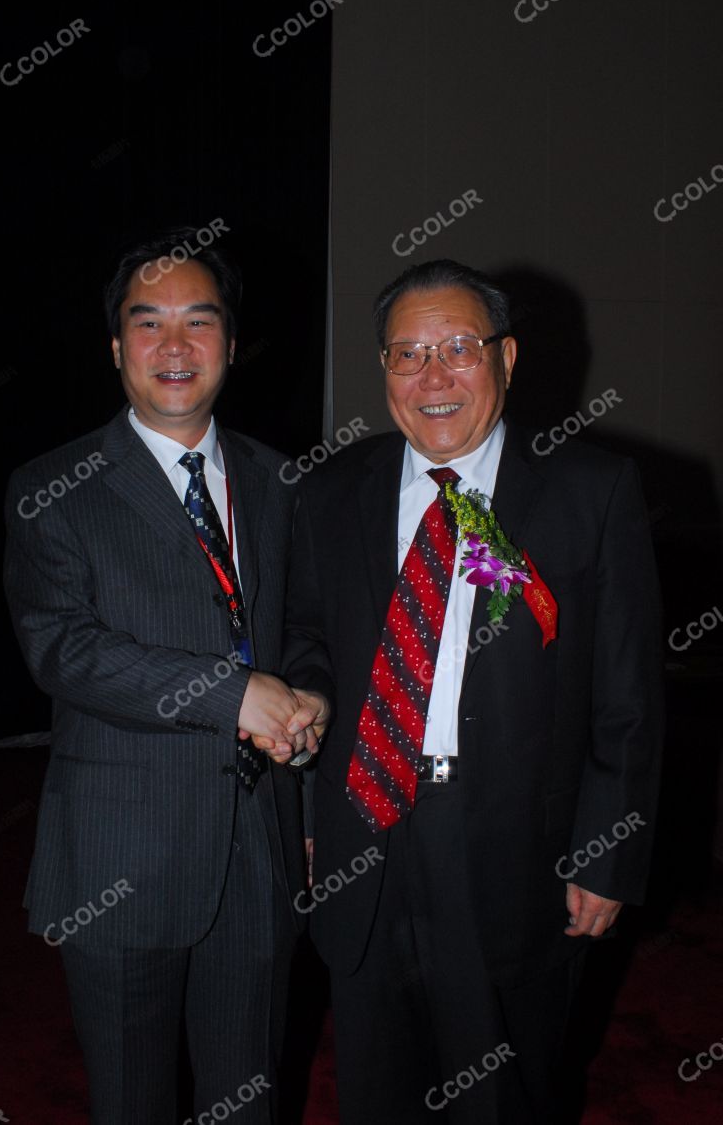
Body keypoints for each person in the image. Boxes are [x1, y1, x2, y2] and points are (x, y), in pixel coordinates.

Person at [281, 259, 664, 1123]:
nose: (433, 376)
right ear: (382, 369)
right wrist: (309, 801)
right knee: (375, 1088)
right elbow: (309, 642)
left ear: (509, 357)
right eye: (406, 354)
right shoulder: (333, 491)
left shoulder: (589, 490)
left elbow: (628, 693)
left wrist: (608, 848)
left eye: (458, 347)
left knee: (504, 1094)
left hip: (516, 843)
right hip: (367, 830)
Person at [3, 228, 330, 1125]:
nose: (176, 346)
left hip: (259, 854)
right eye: (150, 325)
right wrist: (235, 695)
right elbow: (61, 647)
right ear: (116, 347)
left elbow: (299, 629)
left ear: (231, 340)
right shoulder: (54, 485)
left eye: (200, 321)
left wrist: (309, 700)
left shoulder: (276, 480)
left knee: (248, 1101)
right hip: (119, 855)